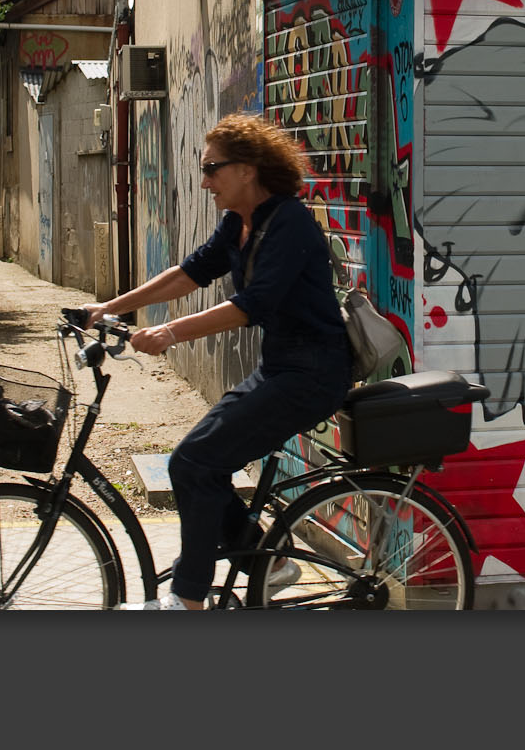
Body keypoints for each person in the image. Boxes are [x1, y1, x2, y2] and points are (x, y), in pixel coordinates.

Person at [83, 112, 351, 609]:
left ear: (248, 168)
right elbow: (189, 273)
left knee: (196, 461)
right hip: (282, 367)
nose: (205, 181)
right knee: (193, 463)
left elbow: (255, 305)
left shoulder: (288, 222)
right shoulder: (239, 223)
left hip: (313, 373)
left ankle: (187, 601)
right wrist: (109, 307)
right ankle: (268, 562)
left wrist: (170, 332)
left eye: (212, 169)